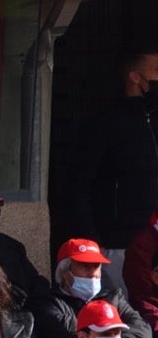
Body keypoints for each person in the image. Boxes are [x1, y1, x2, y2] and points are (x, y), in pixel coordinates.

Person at [67, 48, 158, 282]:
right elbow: (79, 186)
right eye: (155, 70)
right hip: (119, 247)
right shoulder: (104, 124)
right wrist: (92, 240)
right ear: (135, 77)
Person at [34, 238, 151, 338]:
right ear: (65, 272)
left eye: (96, 266)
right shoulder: (48, 302)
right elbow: (70, 337)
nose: (92, 273)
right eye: (84, 266)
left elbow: (143, 333)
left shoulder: (114, 297)